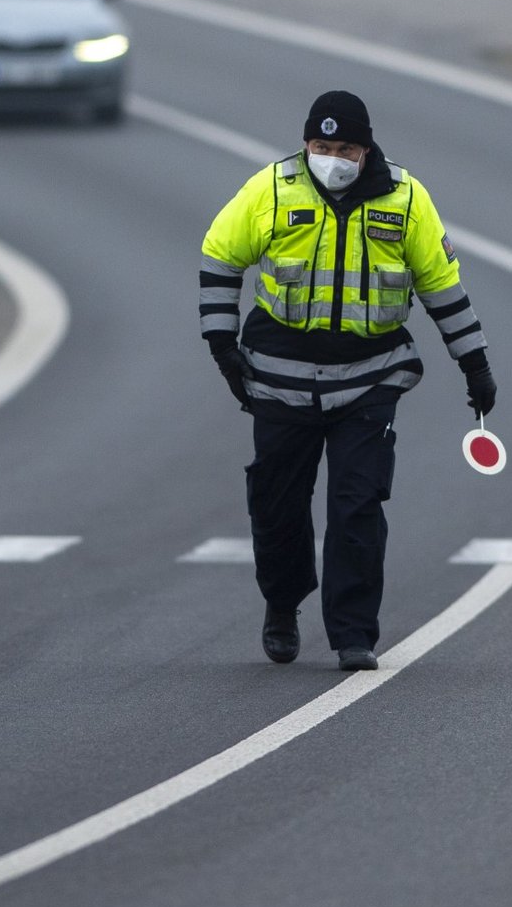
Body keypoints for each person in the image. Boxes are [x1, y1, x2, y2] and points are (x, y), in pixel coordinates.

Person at [199, 90, 496, 672]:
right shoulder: (272, 189)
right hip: (280, 378)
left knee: (358, 506)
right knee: (277, 505)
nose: (331, 157)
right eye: (321, 146)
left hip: (370, 379)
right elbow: (220, 255)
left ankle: (354, 633)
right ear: (307, 144)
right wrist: (221, 346)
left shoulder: (407, 200)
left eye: (344, 148)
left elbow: (442, 286)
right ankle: (282, 605)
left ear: (366, 149)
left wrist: (475, 363)